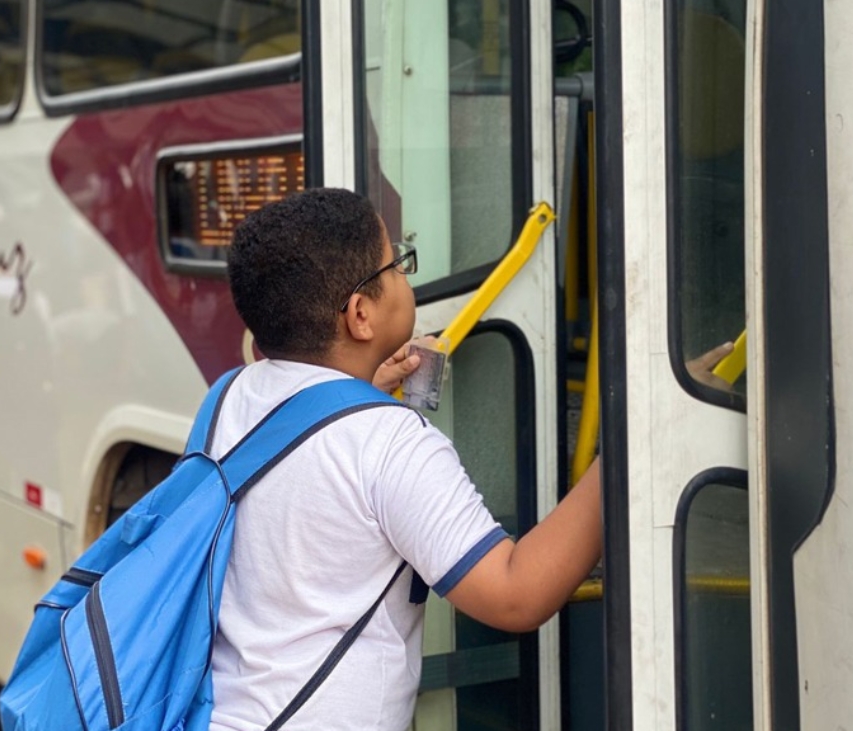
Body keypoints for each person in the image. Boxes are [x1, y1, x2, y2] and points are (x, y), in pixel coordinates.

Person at [208, 188, 603, 731]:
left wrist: (360, 383)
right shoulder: (390, 442)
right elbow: (515, 594)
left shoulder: (227, 398)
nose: (405, 274)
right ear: (361, 314)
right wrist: (622, 456)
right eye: (397, 263)